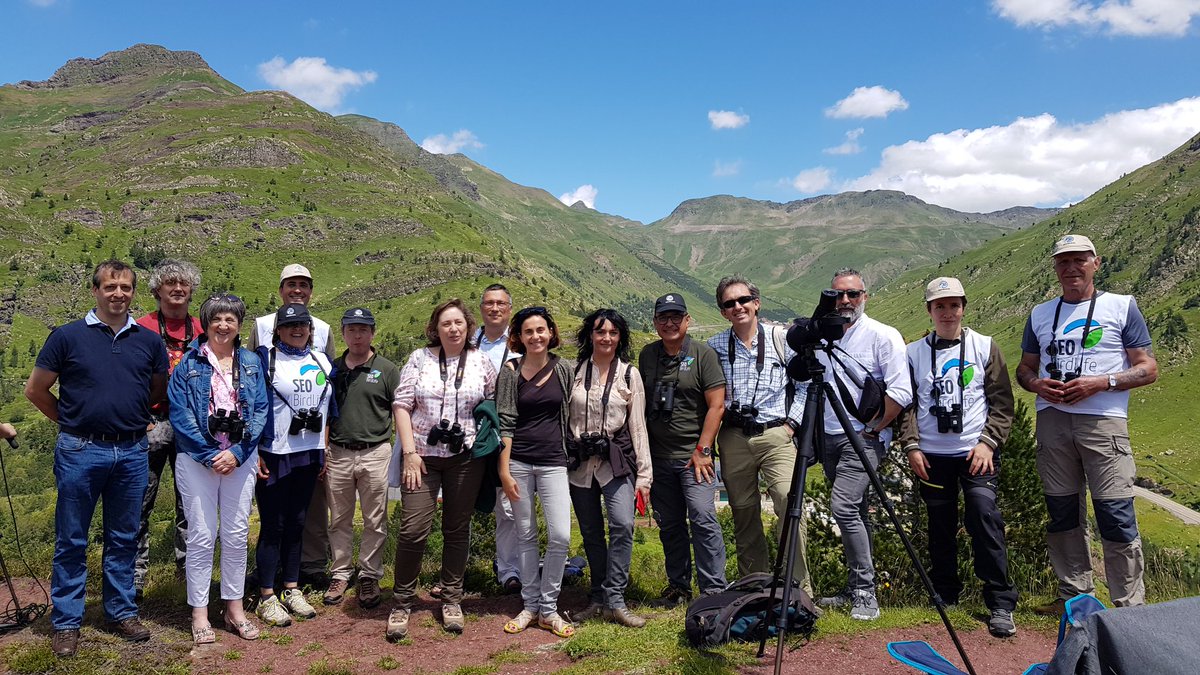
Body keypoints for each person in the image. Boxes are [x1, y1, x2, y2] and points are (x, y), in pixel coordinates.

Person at [26, 260, 168, 658]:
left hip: (132, 451)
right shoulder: (66, 337)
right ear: (95, 290)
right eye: (110, 287)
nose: (118, 294)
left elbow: (156, 390)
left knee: (123, 536)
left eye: (125, 287)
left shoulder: (148, 340)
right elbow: (36, 391)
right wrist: (70, 423)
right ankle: (67, 620)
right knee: (71, 537)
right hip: (80, 450)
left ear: (133, 292)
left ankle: (120, 611)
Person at [1015, 234, 1158, 611]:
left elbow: (1147, 368)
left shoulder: (1121, 307)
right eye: (1063, 261)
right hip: (1052, 422)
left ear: (1096, 263)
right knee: (1061, 512)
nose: (1071, 268)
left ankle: (1129, 607)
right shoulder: (1040, 314)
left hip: (1104, 422)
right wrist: (1037, 384)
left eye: (1080, 260)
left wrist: (1102, 382)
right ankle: (1074, 598)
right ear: (1055, 268)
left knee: (1115, 512)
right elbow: (1025, 369)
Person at [898, 277, 1019, 638]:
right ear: (929, 311)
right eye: (940, 306)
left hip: (975, 453)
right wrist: (911, 445)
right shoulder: (914, 352)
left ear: (964, 307)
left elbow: (1002, 403)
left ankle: (999, 602)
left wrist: (988, 443)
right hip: (932, 455)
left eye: (954, 305)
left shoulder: (985, 346)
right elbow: (907, 406)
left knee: (985, 518)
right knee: (940, 527)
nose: (947, 312)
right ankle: (946, 596)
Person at [387, 299, 496, 641]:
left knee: (457, 528)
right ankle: (402, 601)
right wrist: (408, 452)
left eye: (459, 323)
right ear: (436, 328)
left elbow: (492, 403)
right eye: (446, 323)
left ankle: (451, 598)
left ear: (468, 327)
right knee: (413, 528)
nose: (453, 329)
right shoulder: (419, 359)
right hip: (421, 454)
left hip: (465, 456)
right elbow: (402, 405)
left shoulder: (482, 362)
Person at [169, 295, 269, 644]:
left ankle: (234, 607)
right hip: (198, 460)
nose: (223, 325)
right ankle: (199, 612)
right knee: (201, 534)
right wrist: (210, 453)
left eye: (230, 319)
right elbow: (179, 414)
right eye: (217, 319)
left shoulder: (251, 362)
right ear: (206, 323)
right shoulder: (188, 364)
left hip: (239, 460)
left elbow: (259, 412)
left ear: (239, 324)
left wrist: (239, 452)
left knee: (237, 533)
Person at [815, 268, 912, 621]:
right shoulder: (824, 338)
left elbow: (901, 390)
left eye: (852, 294)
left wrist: (875, 428)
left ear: (864, 297)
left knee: (842, 506)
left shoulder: (883, 336)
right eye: (837, 294)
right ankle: (854, 586)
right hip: (827, 436)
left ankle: (865, 593)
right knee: (856, 511)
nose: (844, 301)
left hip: (863, 438)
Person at [706, 276, 809, 593]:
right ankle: (757, 588)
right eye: (729, 303)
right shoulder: (715, 346)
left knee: (789, 504)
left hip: (776, 433)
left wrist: (791, 424)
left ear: (756, 302)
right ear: (723, 311)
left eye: (743, 300)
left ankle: (799, 590)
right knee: (744, 513)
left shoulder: (781, 339)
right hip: (734, 437)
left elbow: (805, 384)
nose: (737, 307)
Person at [248, 263, 336, 588]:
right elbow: (254, 387)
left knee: (302, 518)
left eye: (304, 284)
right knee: (274, 521)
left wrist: (325, 444)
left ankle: (299, 576)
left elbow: (327, 390)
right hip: (274, 447)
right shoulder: (260, 329)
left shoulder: (324, 332)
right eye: (291, 284)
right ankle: (267, 583)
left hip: (309, 447)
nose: (297, 290)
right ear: (280, 288)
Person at [638, 293, 727, 608]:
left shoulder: (704, 355)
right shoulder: (648, 355)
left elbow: (717, 406)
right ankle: (679, 588)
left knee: (703, 518)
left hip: (695, 459)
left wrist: (703, 449)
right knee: (670, 524)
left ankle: (714, 590)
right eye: (663, 317)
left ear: (688, 320)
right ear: (655, 323)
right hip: (659, 458)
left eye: (676, 316)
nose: (670, 322)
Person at [567, 309, 652, 628]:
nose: (606, 338)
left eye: (613, 333)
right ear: (590, 334)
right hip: (580, 464)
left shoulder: (629, 374)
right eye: (600, 332)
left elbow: (638, 426)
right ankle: (597, 597)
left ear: (621, 337)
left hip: (616, 460)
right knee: (590, 532)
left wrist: (644, 475)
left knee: (622, 524)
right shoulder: (574, 371)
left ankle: (616, 598)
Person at [498, 306, 576, 639]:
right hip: (519, 462)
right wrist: (504, 470)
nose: (536, 337)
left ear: (551, 332)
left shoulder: (564, 369)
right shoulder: (510, 371)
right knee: (525, 536)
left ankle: (549, 607)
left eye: (541, 330)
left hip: (554, 460)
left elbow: (570, 411)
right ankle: (531, 606)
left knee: (560, 535)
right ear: (519, 336)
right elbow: (505, 421)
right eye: (528, 331)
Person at [134, 259, 202, 601]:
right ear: (157, 290)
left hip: (191, 425)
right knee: (139, 501)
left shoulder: (203, 329)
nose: (177, 289)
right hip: (150, 421)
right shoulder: (140, 327)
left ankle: (189, 574)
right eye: (170, 283)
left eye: (183, 283)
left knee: (189, 503)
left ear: (191, 290)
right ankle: (134, 579)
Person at [323, 308, 400, 609]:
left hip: (376, 452)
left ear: (372, 332)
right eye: (351, 329)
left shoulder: (387, 369)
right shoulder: (332, 369)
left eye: (363, 329)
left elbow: (400, 411)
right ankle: (340, 573)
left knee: (375, 519)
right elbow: (322, 412)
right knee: (338, 518)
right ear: (342, 333)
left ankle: (369, 574)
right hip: (339, 451)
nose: (357, 335)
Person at [475, 284, 522, 594]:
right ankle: (452, 573)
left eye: (501, 303)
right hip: (473, 431)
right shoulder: (467, 341)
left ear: (509, 308)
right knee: (461, 502)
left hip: (507, 431)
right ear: (481, 308)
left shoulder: (521, 345)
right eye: (489, 303)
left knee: (507, 506)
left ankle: (509, 572)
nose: (495, 308)